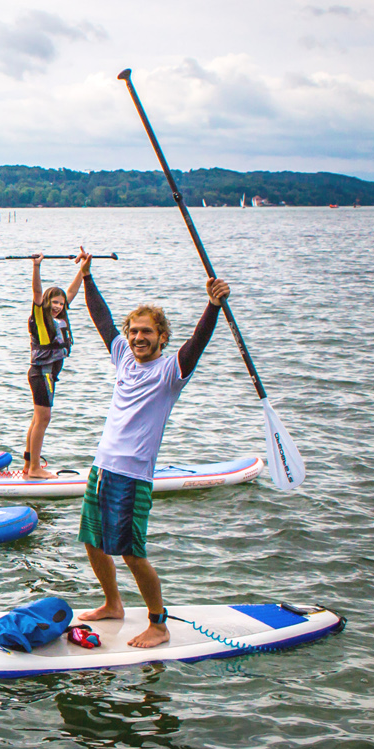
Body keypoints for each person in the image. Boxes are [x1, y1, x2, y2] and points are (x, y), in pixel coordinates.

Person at [73, 249, 226, 649]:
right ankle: (113, 603)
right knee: (92, 540)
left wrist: (212, 306)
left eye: (147, 332)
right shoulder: (123, 357)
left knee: (131, 552)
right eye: (134, 332)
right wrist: (87, 277)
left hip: (133, 475)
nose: (138, 338)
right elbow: (102, 319)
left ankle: (158, 623)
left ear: (162, 337)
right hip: (102, 467)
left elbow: (197, 343)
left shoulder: (170, 371)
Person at [20, 254, 87, 479]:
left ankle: (28, 464)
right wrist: (36, 266)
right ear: (46, 302)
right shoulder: (40, 316)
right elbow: (37, 292)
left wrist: (83, 269)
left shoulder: (60, 316)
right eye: (54, 302)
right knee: (43, 419)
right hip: (41, 374)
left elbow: (72, 292)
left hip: (46, 375)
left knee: (37, 419)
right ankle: (35, 468)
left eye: (60, 303)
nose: (58, 306)